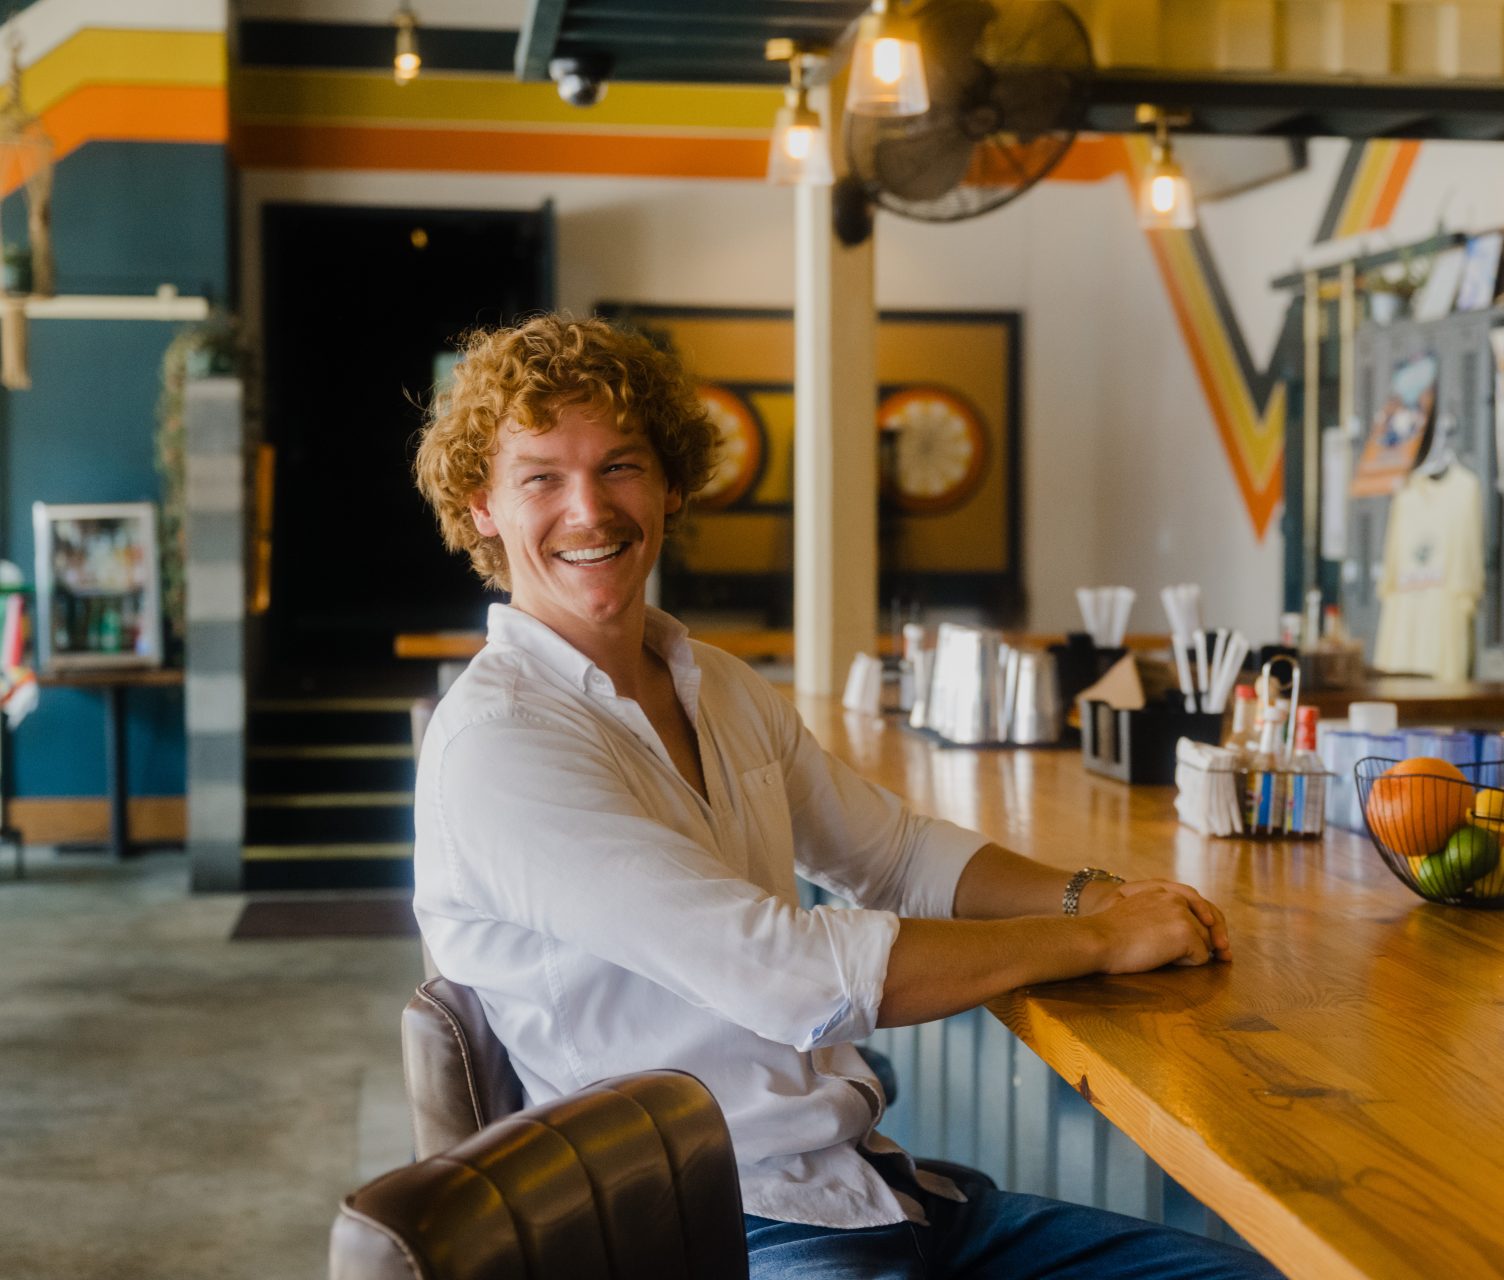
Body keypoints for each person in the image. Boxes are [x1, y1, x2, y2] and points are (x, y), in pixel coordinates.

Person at [409, 313, 1278, 1279]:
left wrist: (1091, 895)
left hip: (871, 1191)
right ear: (482, 505)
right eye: (542, 478)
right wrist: (1099, 942)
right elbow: (786, 976)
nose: (589, 510)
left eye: (620, 466)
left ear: (670, 486)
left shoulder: (719, 685)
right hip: (707, 1231)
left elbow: (892, 854)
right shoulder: (502, 743)